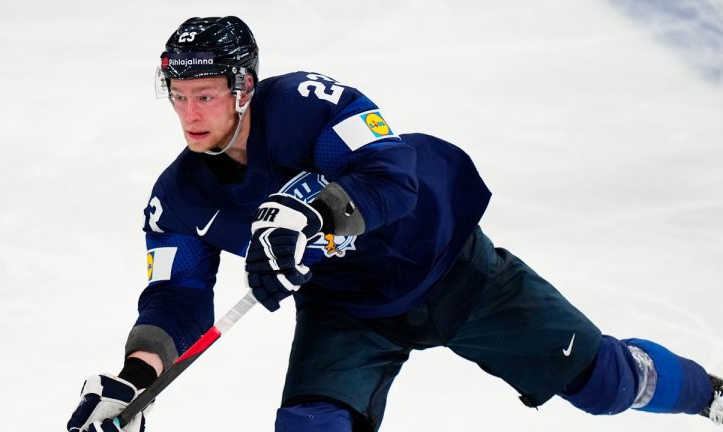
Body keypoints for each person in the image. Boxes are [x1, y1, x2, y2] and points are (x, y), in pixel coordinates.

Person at [66, 16, 723, 432]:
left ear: (244, 88)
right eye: (179, 97)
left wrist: (312, 215)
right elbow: (176, 296)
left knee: (605, 386)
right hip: (348, 312)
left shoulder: (307, 102)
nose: (190, 114)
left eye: (206, 95)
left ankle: (708, 394)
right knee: (310, 425)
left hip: (450, 268)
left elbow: (391, 174)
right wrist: (137, 377)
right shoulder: (178, 197)